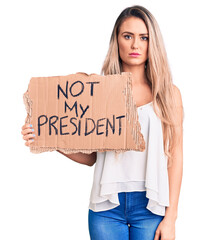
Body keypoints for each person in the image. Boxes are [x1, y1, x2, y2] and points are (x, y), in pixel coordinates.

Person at [21, 5, 184, 240]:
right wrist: (49, 138)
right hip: (106, 207)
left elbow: (175, 157)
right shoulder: (99, 91)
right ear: (117, 41)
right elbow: (92, 158)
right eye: (127, 36)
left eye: (143, 37)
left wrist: (171, 218)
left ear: (152, 42)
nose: (135, 45)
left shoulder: (168, 94)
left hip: (151, 206)